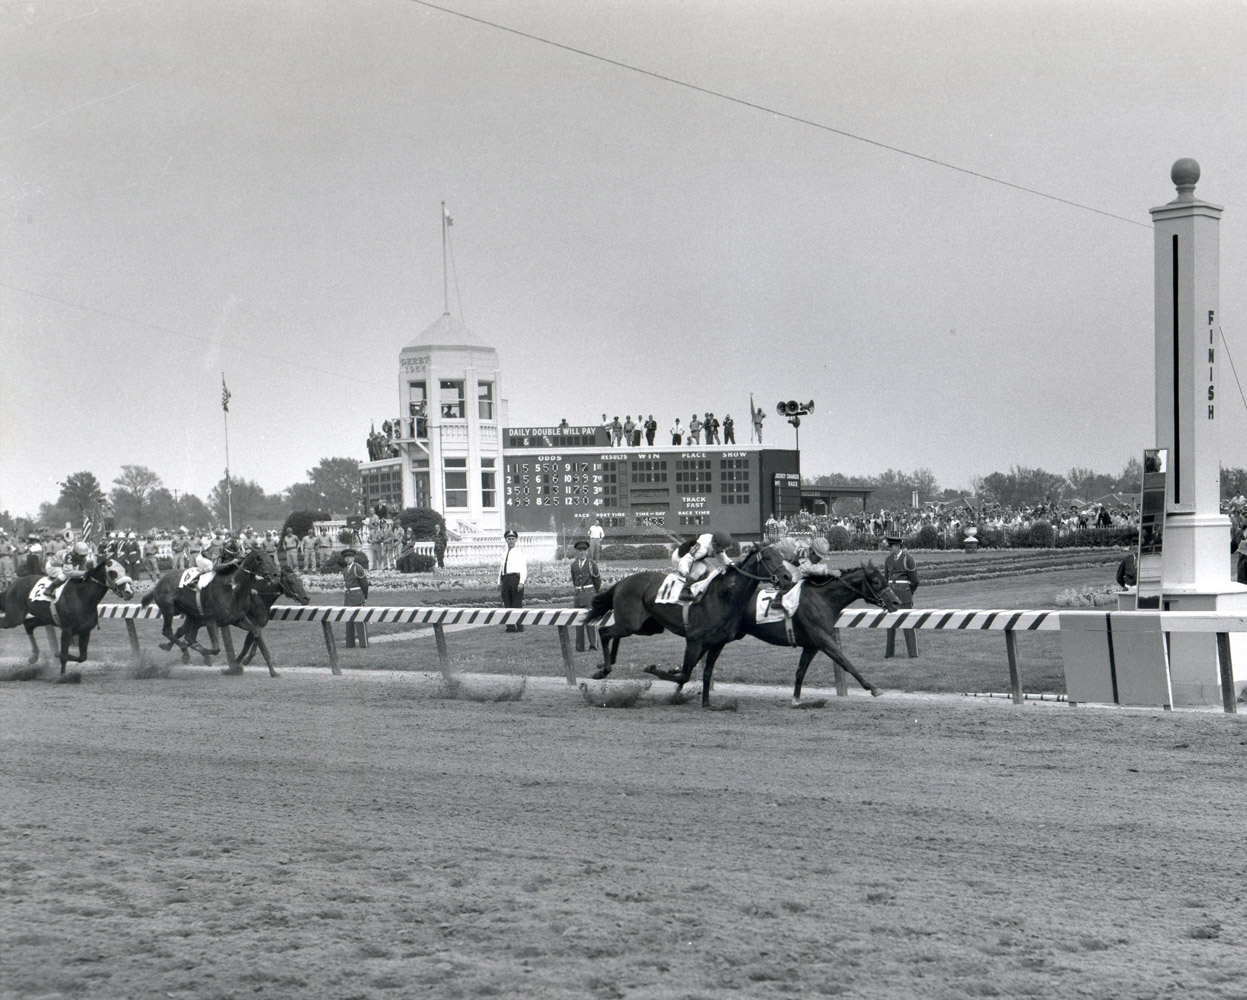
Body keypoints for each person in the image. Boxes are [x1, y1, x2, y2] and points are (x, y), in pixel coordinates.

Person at [884, 531, 919, 658]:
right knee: (890, 625)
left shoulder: (907, 559)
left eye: (891, 546)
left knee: (908, 624)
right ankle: (889, 653)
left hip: (904, 595)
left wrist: (909, 593)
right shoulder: (888, 560)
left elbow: (915, 580)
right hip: (891, 595)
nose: (889, 549)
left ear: (898, 547)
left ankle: (913, 653)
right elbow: (885, 579)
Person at [672, 529, 738, 597]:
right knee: (701, 568)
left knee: (713, 571)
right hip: (679, 558)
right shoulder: (702, 548)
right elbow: (686, 559)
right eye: (723, 548)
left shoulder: (715, 543)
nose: (723, 551)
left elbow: (723, 557)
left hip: (694, 558)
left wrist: (733, 564)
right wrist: (685, 571)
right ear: (715, 545)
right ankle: (685, 590)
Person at [569, 539, 602, 651]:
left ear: (587, 552)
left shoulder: (592, 564)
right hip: (578, 595)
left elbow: (597, 581)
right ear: (577, 552)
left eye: (584, 550)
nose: (582, 552)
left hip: (589, 595)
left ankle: (593, 645)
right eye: (579, 550)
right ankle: (580, 646)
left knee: (590, 621)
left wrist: (594, 594)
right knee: (578, 621)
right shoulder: (573, 565)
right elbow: (574, 581)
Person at [499, 528, 527, 632]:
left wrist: (521, 582)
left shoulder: (519, 553)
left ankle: (520, 627)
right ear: (506, 540)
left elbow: (523, 569)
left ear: (516, 540)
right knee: (507, 603)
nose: (511, 540)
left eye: (513, 538)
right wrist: (500, 582)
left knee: (517, 603)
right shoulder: (504, 553)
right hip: (505, 579)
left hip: (515, 579)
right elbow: (501, 569)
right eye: (509, 538)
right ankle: (510, 627)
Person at [342, 549, 370, 648]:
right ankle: (350, 644)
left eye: (350, 557)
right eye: (346, 557)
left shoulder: (357, 568)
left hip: (358, 596)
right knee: (348, 621)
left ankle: (363, 643)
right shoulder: (345, 570)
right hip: (348, 597)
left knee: (360, 620)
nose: (348, 559)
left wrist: (364, 596)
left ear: (353, 558)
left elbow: (364, 584)